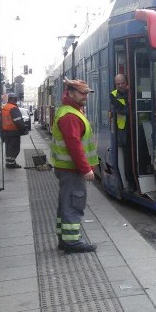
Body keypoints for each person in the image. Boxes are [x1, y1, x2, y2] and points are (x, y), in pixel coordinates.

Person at [51, 79, 99, 253]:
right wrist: (86, 168)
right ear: (71, 93)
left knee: (66, 202)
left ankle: (65, 238)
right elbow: (74, 144)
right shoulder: (70, 116)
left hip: (67, 168)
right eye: (82, 93)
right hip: (72, 169)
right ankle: (72, 242)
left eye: (87, 93)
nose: (85, 96)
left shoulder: (70, 111)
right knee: (73, 202)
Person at [110, 74, 136, 192]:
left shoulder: (133, 90)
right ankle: (131, 184)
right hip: (124, 132)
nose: (120, 85)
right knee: (128, 158)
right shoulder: (113, 95)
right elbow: (125, 110)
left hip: (136, 129)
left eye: (122, 83)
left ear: (127, 82)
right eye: (118, 84)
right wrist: (128, 95)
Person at [1, 92, 28, 169]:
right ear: (14, 99)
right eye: (15, 99)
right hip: (13, 131)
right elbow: (18, 121)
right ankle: (11, 163)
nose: (16, 101)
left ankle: (9, 162)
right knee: (15, 148)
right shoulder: (13, 108)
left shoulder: (5, 107)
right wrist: (24, 130)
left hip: (6, 131)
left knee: (9, 148)